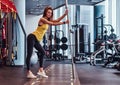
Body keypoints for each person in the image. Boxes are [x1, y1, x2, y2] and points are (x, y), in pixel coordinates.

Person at [26, 6, 69, 78]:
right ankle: (28, 72)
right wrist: (64, 22)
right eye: (48, 12)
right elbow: (53, 24)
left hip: (36, 39)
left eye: (51, 13)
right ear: (45, 12)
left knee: (43, 52)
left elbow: (57, 20)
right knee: (29, 54)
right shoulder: (42, 19)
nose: (49, 14)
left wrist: (65, 15)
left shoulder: (48, 20)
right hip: (32, 37)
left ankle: (41, 70)